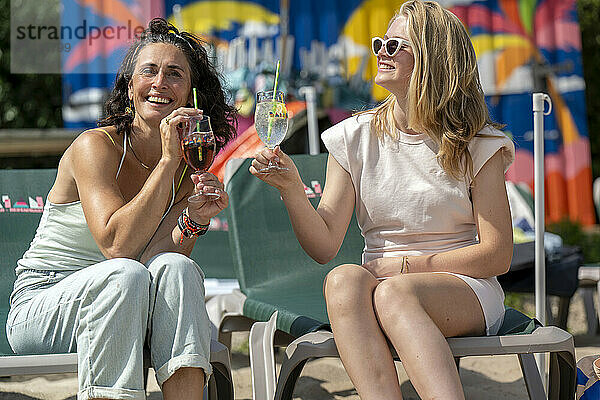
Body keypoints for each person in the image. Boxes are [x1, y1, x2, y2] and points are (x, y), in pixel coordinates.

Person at [251, 1, 514, 399]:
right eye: (379, 43)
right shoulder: (352, 137)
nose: (380, 52)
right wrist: (291, 189)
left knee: (394, 293)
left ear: (432, 59)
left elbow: (496, 256)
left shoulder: (477, 144)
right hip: (382, 282)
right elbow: (324, 246)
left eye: (394, 45)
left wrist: (407, 266)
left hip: (464, 286)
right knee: (341, 279)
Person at [6, 18, 237, 400]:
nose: (160, 83)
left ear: (191, 94)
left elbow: (154, 260)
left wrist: (193, 219)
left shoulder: (186, 165)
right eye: (149, 71)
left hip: (129, 295)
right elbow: (118, 247)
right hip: (45, 301)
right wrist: (165, 163)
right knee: (123, 275)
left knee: (178, 268)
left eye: (174, 74)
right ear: (131, 88)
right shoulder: (95, 147)